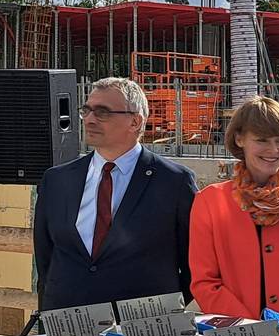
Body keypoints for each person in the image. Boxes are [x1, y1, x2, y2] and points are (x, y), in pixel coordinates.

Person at [32, 76, 198, 311]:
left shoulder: (174, 182)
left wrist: (164, 311)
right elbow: (46, 260)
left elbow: (195, 265)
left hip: (142, 329)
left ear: (135, 122)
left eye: (102, 112)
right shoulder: (57, 180)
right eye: (86, 110)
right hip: (68, 324)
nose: (89, 119)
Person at [187, 96, 279, 324]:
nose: (274, 150)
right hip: (235, 335)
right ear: (239, 139)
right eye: (262, 140)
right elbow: (205, 282)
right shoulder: (210, 201)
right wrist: (248, 329)